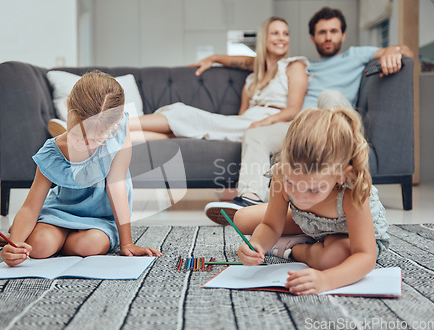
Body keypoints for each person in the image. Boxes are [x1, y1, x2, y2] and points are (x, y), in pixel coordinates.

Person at [202, 7, 413, 225]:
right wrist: (216, 57)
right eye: (322, 32)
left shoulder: (356, 55)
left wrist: (391, 52)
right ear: (313, 37)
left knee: (328, 95)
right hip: (302, 127)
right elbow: (253, 63)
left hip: (335, 124)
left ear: (343, 35)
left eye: (333, 31)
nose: (328, 36)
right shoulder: (303, 66)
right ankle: (250, 200)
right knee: (255, 135)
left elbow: (405, 49)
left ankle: (336, 183)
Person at [0, 71, 162, 266]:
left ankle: (34, 233)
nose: (90, 145)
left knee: (90, 246)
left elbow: (116, 188)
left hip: (99, 219)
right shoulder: (52, 151)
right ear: (70, 115)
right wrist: (15, 244)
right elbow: (31, 206)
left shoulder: (119, 134)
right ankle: (28, 232)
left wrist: (127, 243)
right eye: (80, 135)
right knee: (39, 247)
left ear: (115, 125)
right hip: (59, 212)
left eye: (99, 139)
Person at [237, 107, 389, 295]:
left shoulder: (352, 192)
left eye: (314, 190)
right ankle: (298, 238)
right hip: (309, 221)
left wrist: (327, 280)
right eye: (291, 183)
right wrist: (257, 245)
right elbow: (270, 225)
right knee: (241, 219)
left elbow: (365, 256)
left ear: (341, 175)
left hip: (346, 234)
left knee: (332, 258)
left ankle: (292, 249)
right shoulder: (282, 175)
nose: (300, 197)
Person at [129, 17, 309, 144]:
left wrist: (265, 122)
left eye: (285, 34)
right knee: (182, 132)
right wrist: (214, 58)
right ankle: (121, 136)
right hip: (244, 123)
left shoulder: (294, 66)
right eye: (275, 33)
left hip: (268, 124)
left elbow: (294, 109)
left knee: (181, 114)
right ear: (264, 38)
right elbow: (242, 113)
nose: (281, 38)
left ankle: (119, 124)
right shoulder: (253, 76)